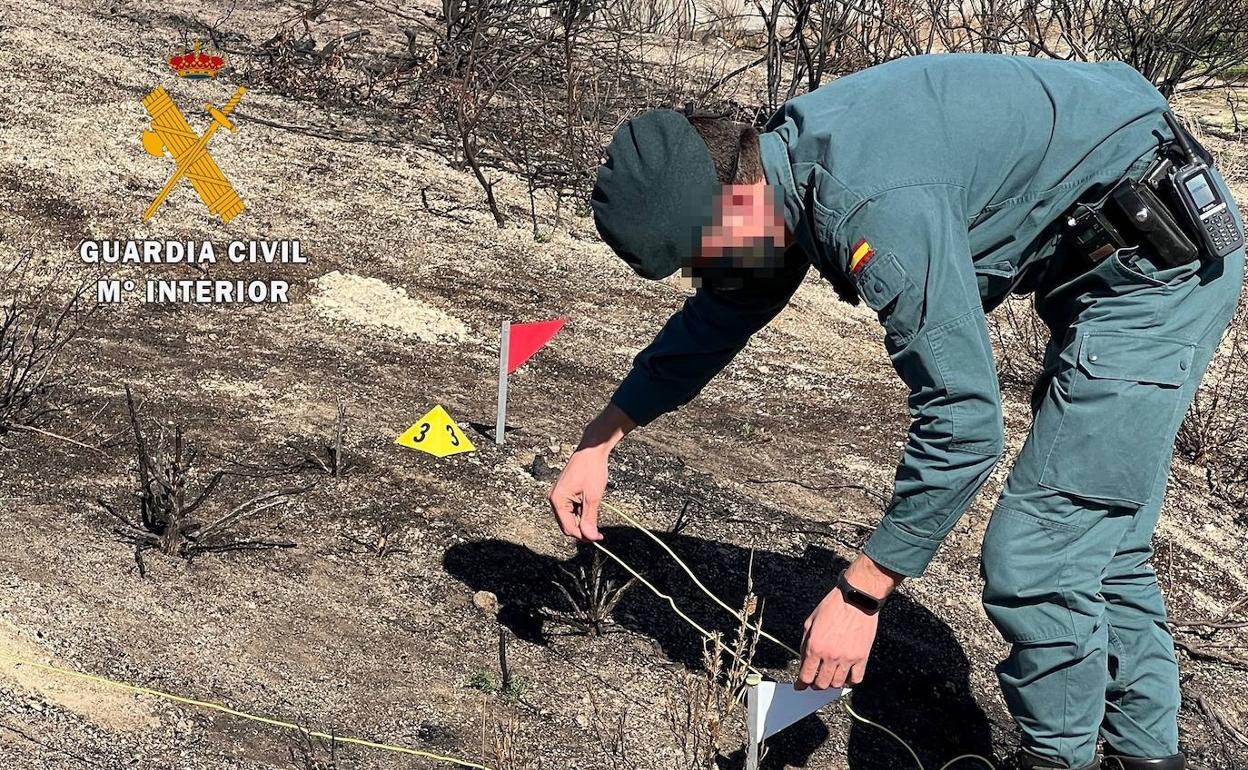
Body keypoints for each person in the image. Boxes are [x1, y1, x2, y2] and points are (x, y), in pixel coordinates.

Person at [547, 53, 1245, 770]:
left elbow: (966, 425)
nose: (703, 276)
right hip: (1116, 243)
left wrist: (861, 595)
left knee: (1039, 554)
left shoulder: (870, 201)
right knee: (1100, 540)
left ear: (738, 199)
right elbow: (723, 314)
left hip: (1161, 268)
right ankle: (1147, 757)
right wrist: (601, 439)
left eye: (700, 256)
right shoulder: (785, 166)